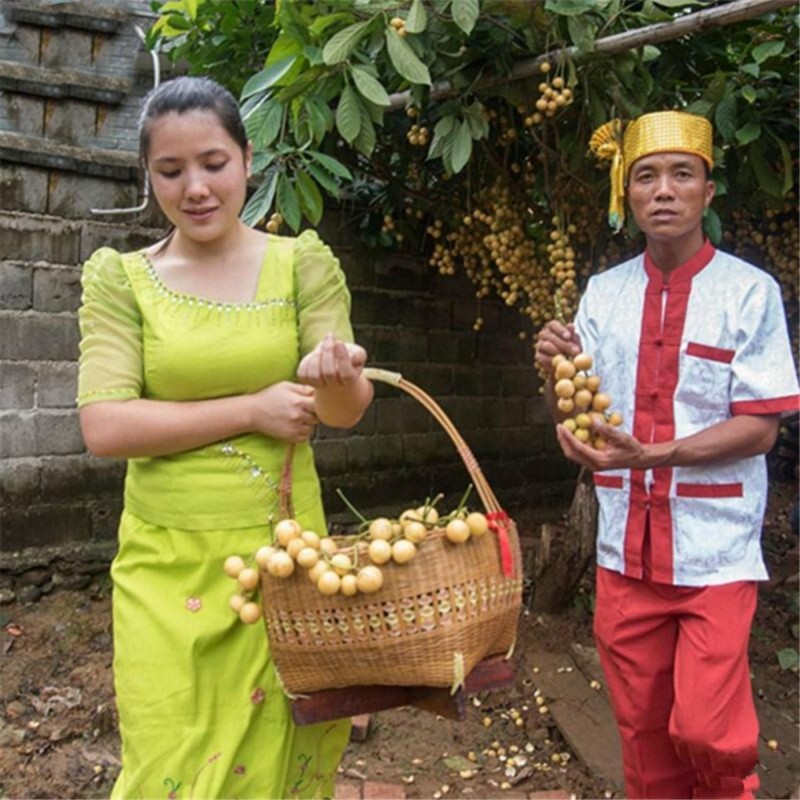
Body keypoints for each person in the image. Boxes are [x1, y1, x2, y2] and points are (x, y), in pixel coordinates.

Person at [77, 76, 373, 799]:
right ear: (148, 177)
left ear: (247, 159)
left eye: (213, 163)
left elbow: (345, 411)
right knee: (169, 759)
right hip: (164, 563)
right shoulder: (123, 281)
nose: (196, 188)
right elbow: (106, 425)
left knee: (279, 758)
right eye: (171, 171)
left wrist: (335, 375)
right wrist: (253, 409)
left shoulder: (302, 264)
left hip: (285, 559)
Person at [535, 110, 799, 800]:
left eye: (683, 174)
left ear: (709, 193)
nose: (664, 190)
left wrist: (653, 454)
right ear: (628, 195)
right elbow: (583, 407)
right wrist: (557, 386)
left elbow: (762, 427)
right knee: (644, 740)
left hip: (715, 552)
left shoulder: (749, 293)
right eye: (646, 176)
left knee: (714, 734)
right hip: (626, 555)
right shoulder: (604, 293)